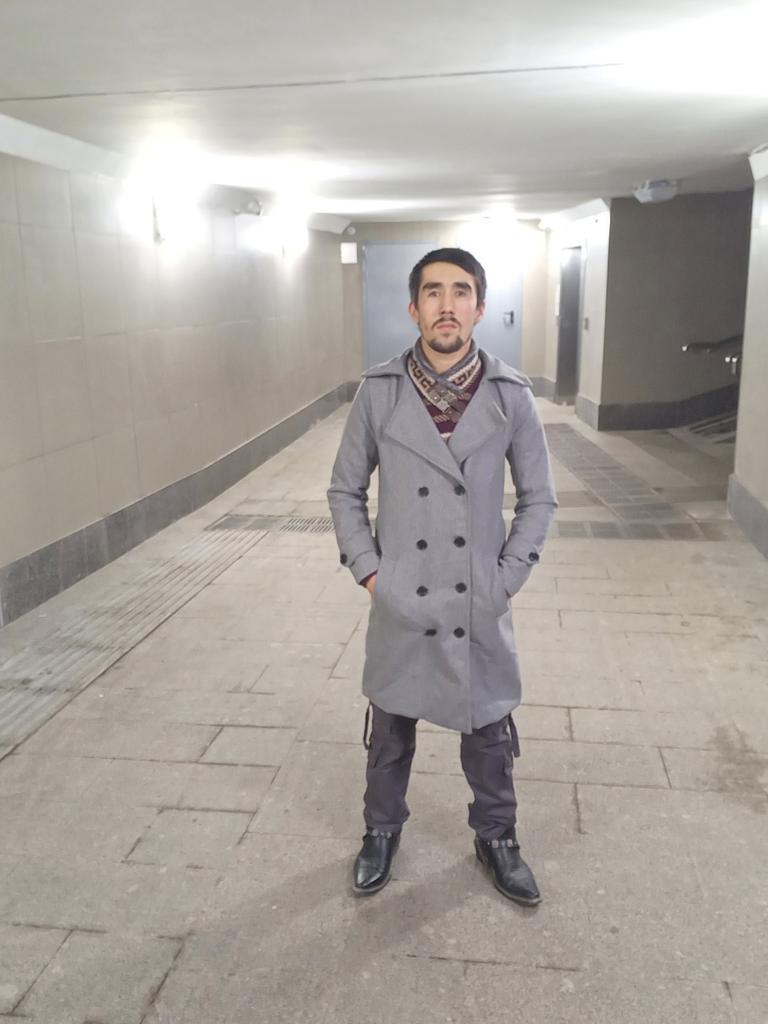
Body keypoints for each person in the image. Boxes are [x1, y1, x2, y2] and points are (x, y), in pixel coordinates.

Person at [327, 247, 557, 904]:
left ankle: (498, 837)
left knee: (488, 732)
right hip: (402, 596)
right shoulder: (380, 391)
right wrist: (373, 574)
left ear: (479, 308)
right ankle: (380, 830)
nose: (447, 305)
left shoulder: (510, 395)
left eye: (461, 292)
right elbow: (344, 490)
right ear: (414, 308)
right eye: (433, 292)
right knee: (390, 730)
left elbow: (539, 498)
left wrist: (505, 579)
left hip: (476, 596)